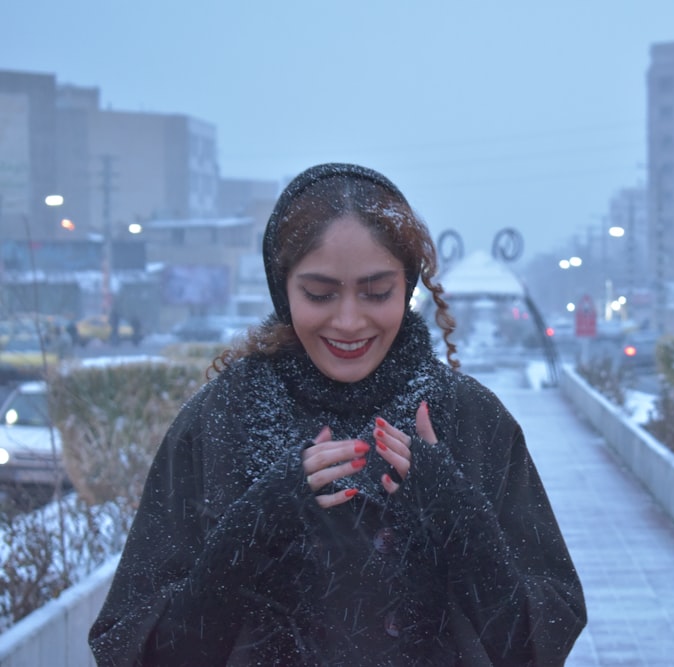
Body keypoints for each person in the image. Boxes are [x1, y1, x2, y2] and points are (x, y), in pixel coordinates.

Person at [89, 163, 587, 665]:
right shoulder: (224, 419)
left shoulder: (466, 416)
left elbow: (537, 642)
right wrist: (252, 529)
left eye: (377, 292)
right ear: (282, 288)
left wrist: (453, 511)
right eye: (320, 293)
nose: (349, 322)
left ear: (408, 285)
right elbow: (132, 650)